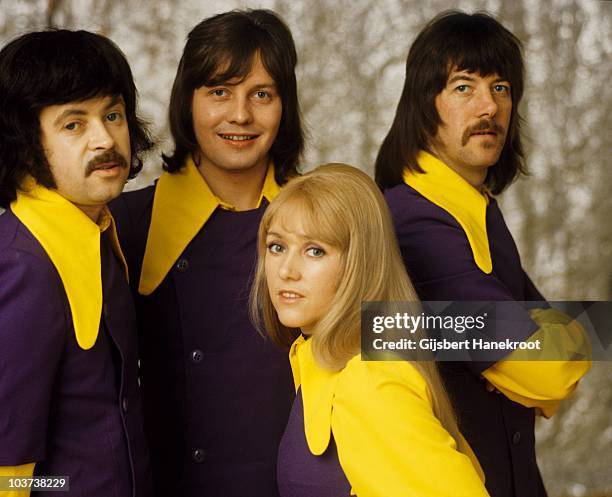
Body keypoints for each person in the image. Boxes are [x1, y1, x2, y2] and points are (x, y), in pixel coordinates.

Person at [375, 11, 591, 497]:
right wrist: (552, 339)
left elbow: (568, 345)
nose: (488, 107)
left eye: (501, 88)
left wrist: (548, 341)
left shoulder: (475, 208)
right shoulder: (416, 224)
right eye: (463, 87)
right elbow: (546, 370)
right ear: (422, 103)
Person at [110, 9, 304, 497]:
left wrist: (523, 336)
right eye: (219, 91)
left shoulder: (324, 217)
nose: (240, 115)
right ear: (187, 100)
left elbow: (396, 331)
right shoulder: (127, 223)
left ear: (285, 106)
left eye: (262, 94)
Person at [249, 163, 489, 496]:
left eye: (314, 250)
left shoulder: (369, 381)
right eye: (277, 246)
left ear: (361, 263)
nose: (286, 270)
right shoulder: (319, 363)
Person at [0, 30, 154, 496]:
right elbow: (8, 470)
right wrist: (64, 487)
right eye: (74, 124)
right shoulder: (22, 265)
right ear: (26, 144)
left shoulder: (102, 231)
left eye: (113, 115)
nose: (105, 138)